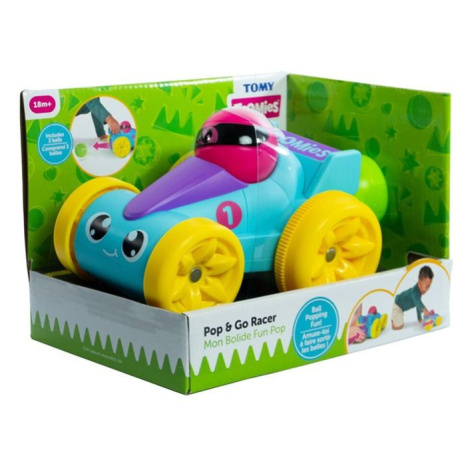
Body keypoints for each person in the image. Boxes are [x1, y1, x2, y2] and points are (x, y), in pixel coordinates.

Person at [392, 265, 434, 330]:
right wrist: (424, 310)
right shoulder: (414, 292)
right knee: (399, 326)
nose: (427, 289)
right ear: (419, 284)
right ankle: (392, 320)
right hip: (398, 305)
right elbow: (417, 301)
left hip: (400, 307)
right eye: (426, 287)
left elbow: (417, 305)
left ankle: (394, 317)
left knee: (399, 320)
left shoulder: (419, 293)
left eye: (429, 287)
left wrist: (419, 318)